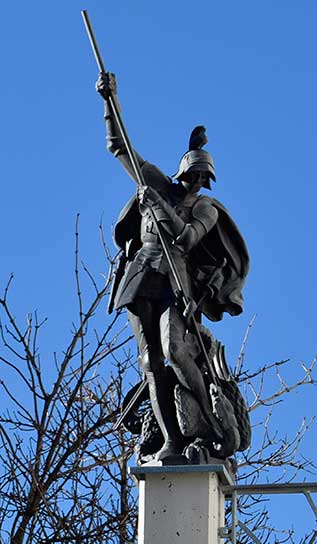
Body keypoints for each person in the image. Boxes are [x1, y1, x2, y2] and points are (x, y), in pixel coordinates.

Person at [97, 72, 249, 461]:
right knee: (150, 359)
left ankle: (212, 422)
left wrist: (159, 206)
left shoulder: (204, 208)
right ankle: (170, 438)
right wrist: (109, 101)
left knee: (175, 350)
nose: (198, 182)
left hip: (175, 279)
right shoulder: (158, 183)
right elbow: (119, 147)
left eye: (204, 178)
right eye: (194, 175)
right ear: (183, 171)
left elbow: (185, 238)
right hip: (140, 274)